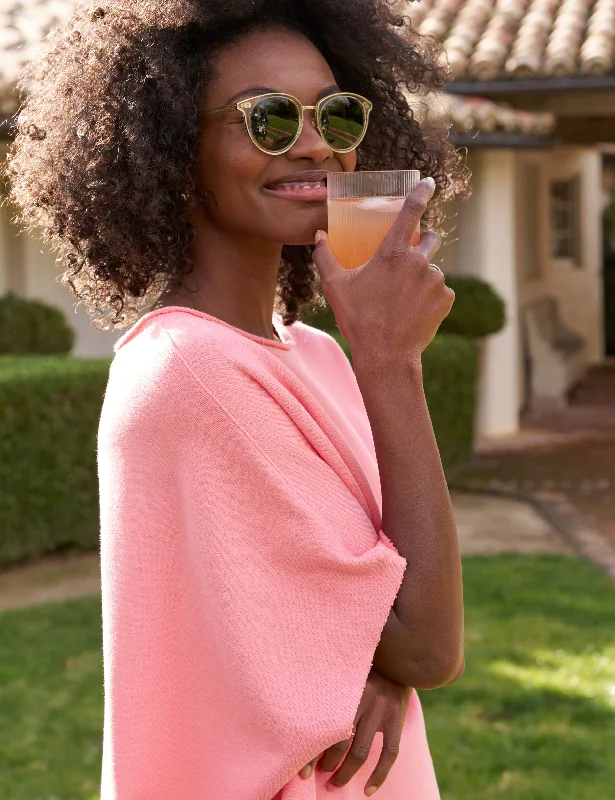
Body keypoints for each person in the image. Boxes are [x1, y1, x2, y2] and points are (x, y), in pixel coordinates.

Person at [5, 1, 470, 797]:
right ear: (172, 147)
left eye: (335, 112)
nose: (317, 142)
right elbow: (426, 647)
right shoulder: (190, 371)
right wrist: (393, 362)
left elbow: (396, 624)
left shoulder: (315, 354)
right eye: (268, 119)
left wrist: (374, 655)